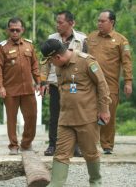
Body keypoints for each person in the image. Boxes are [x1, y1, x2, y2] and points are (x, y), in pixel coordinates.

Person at [41, 39, 111, 187]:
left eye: (51, 61)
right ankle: (56, 184)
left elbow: (102, 85)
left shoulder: (86, 61)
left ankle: (96, 182)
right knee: (61, 154)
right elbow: (63, 90)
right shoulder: (60, 67)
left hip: (87, 118)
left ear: (57, 57)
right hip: (66, 119)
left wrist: (104, 110)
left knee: (90, 152)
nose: (51, 64)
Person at [40, 10, 87, 157]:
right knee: (55, 116)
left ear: (71, 23)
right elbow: (45, 63)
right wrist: (43, 82)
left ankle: (76, 146)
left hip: (74, 83)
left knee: (75, 114)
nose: (57, 25)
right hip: (56, 83)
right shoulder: (51, 38)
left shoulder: (82, 39)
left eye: (61, 22)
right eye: (57, 22)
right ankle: (53, 145)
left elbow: (86, 60)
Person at [87, 10, 133, 155]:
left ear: (111, 22)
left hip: (110, 84)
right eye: (98, 21)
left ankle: (107, 145)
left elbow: (127, 62)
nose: (99, 23)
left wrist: (128, 82)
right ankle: (90, 144)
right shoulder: (91, 37)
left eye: (102, 21)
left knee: (108, 114)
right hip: (90, 83)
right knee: (88, 113)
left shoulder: (121, 40)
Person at [0, 17, 41, 155]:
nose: (15, 32)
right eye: (12, 30)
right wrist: (0, 86)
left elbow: (35, 65)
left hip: (28, 88)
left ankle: (26, 144)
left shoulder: (29, 45)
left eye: (17, 30)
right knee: (11, 119)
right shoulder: (2, 47)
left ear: (22, 30)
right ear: (8, 30)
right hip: (10, 90)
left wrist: (39, 81)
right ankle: (13, 145)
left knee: (32, 116)